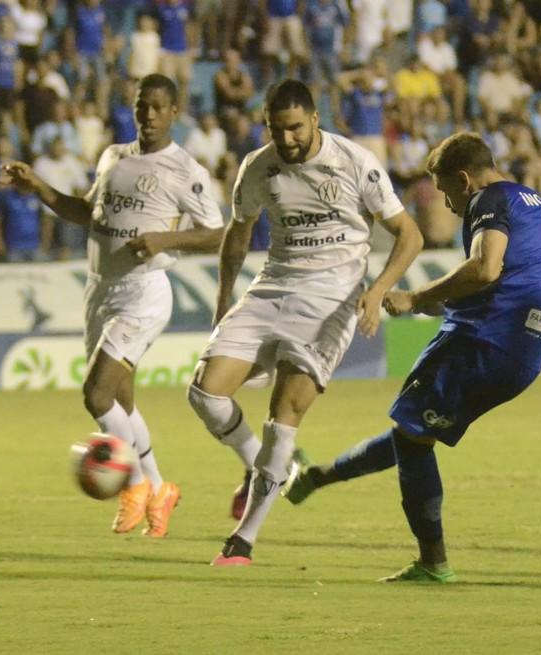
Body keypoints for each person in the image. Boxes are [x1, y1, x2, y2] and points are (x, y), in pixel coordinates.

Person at [282, 132, 541, 582]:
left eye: (447, 193)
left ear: (464, 179)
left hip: (486, 339)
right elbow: (508, 277)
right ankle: (315, 479)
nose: (448, 205)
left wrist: (415, 298)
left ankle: (432, 562)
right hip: (526, 348)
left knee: (413, 437)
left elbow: (485, 268)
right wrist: (441, 302)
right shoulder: (532, 200)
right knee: (413, 432)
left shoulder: (488, 199)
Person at [188, 80, 423, 565]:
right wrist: (222, 300)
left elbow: (409, 234)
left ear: (315, 119)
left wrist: (376, 291)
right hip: (270, 288)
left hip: (329, 302)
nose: (287, 139)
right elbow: (238, 233)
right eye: (276, 130)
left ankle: (243, 540)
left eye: (294, 128)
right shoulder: (257, 167)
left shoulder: (355, 162)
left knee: (284, 412)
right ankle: (263, 466)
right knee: (204, 392)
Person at [0, 74, 224, 538]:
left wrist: (166, 237)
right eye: (143, 106)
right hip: (100, 290)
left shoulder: (184, 170)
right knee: (120, 402)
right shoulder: (113, 156)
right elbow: (88, 213)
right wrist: (38, 186)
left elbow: (219, 233)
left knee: (95, 394)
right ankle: (161, 489)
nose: (150, 115)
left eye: (160, 107)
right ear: (134, 108)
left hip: (144, 291)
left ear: (175, 112)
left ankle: (134, 485)